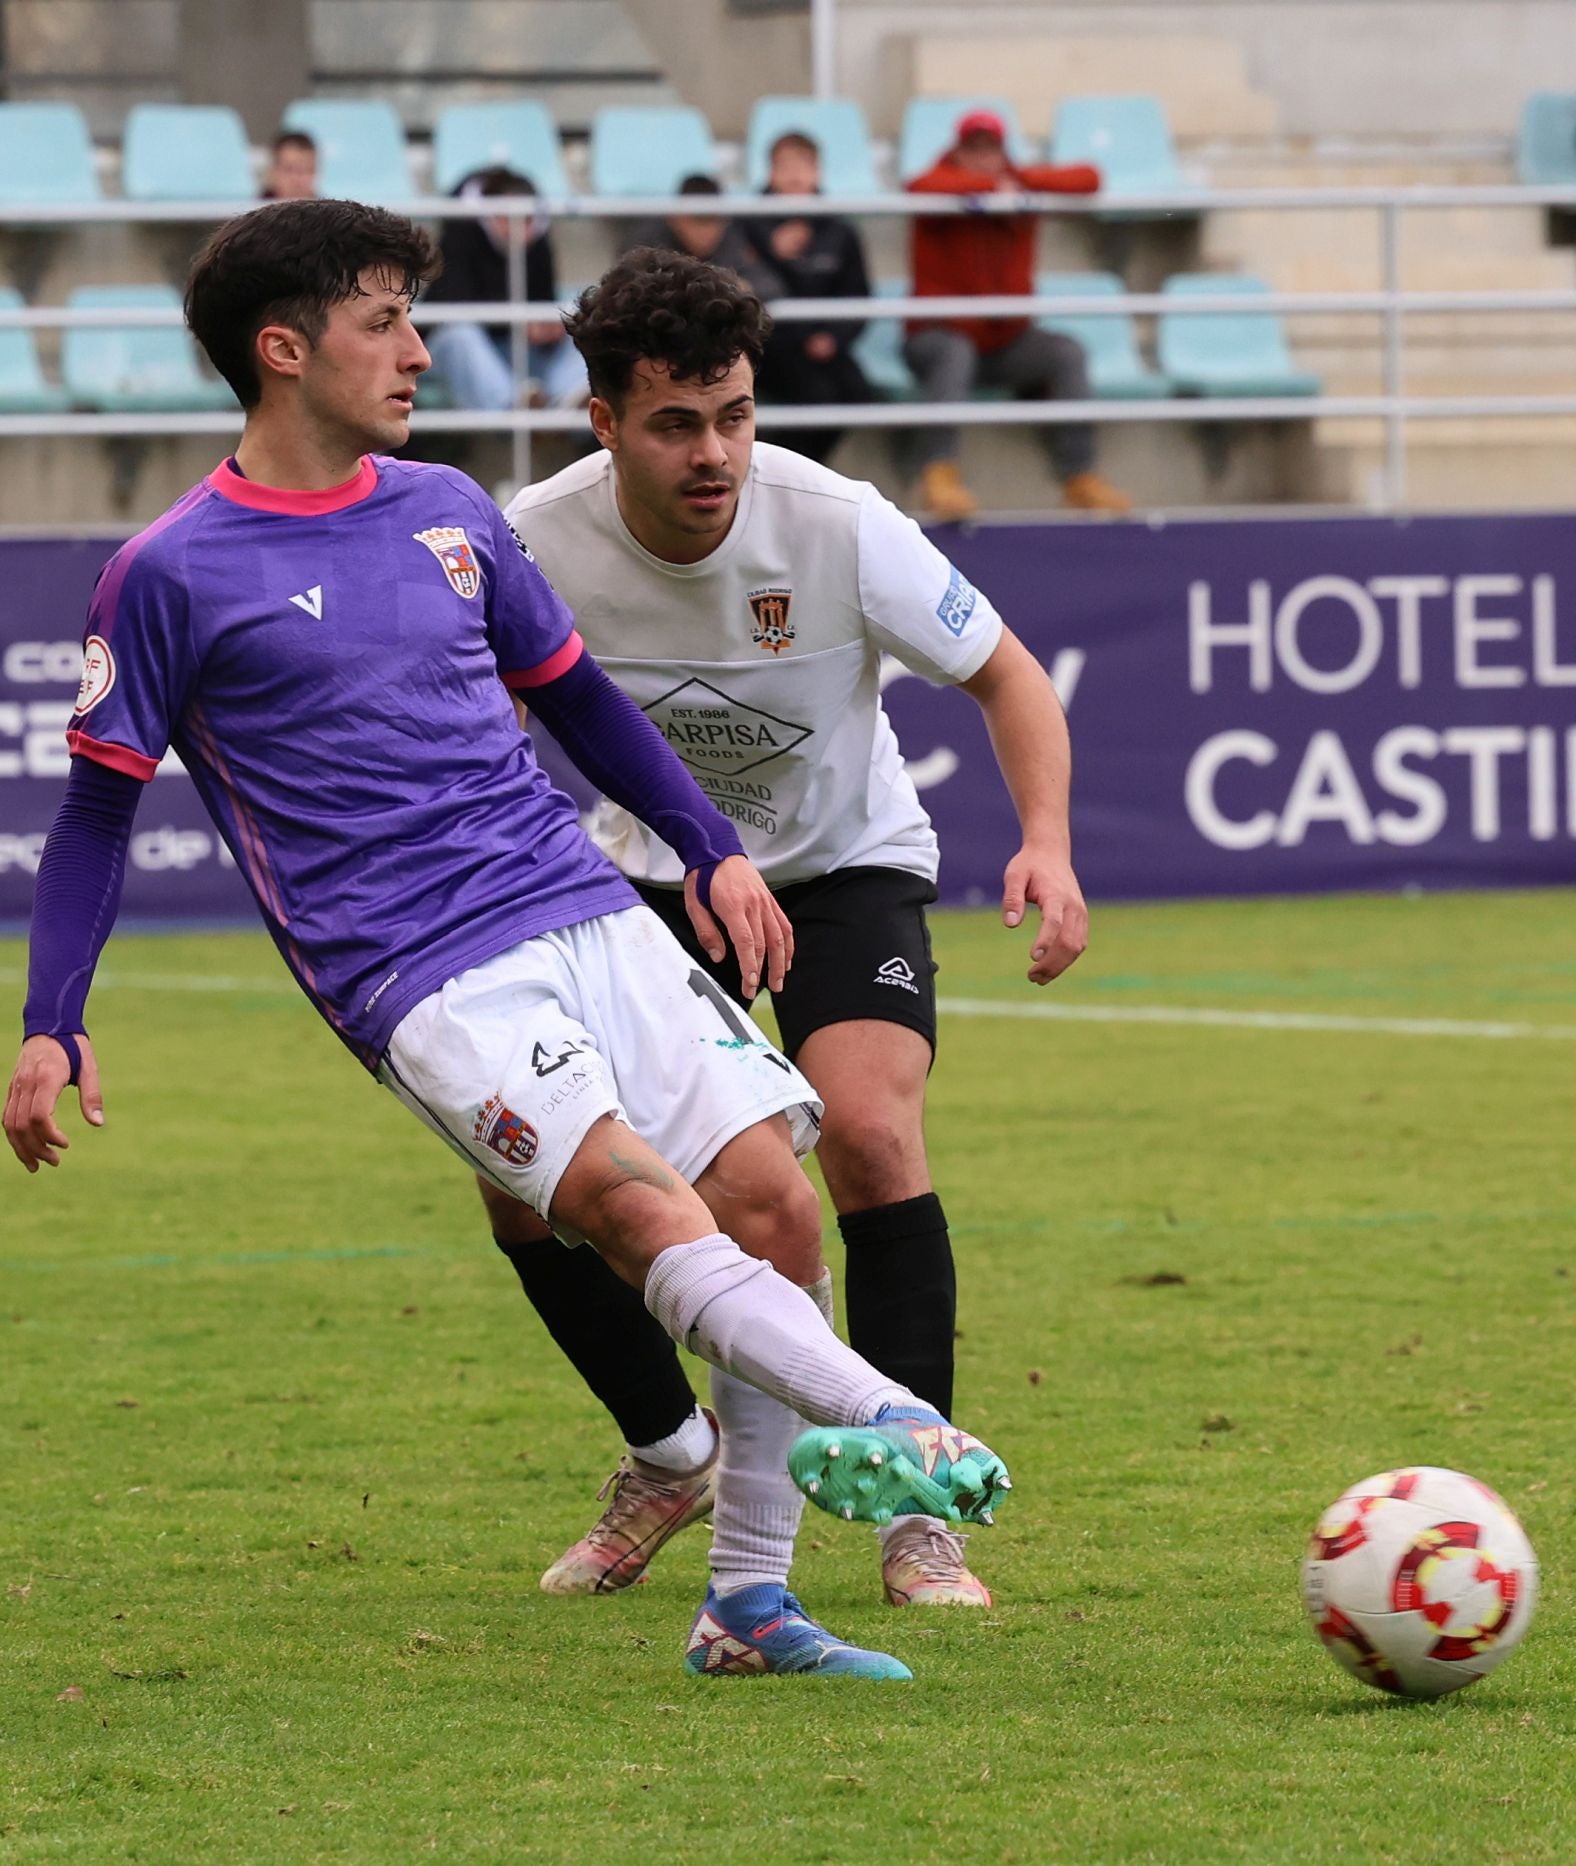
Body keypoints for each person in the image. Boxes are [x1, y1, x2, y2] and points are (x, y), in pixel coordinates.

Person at [0, 198, 1013, 1682]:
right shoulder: (168, 571)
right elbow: (96, 812)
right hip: (416, 968)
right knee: (635, 1205)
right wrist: (50, 1011)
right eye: (386, 321)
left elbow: (584, 702)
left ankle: (745, 1603)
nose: (421, 348)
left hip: (584, 898)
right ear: (284, 351)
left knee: (776, 1209)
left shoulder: (453, 511)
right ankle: (892, 1418)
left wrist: (715, 850)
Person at [485, 247, 1088, 1610]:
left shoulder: (837, 522)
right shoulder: (537, 536)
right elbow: (487, 735)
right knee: (526, 1182)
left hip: (839, 864)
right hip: (650, 887)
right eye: (677, 422)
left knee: (871, 1134)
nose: (717, 452)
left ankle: (921, 1515)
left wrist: (1045, 843)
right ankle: (664, 1455)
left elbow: (1010, 677)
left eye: (737, 414)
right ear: (604, 423)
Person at [904, 109, 1133, 522]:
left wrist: (1016, 185)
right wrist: (993, 188)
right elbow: (919, 185)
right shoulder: (940, 187)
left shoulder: (1017, 183)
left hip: (1001, 343)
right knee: (954, 353)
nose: (981, 157)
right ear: (956, 153)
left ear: (1002, 152)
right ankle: (938, 476)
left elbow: (1089, 178)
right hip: (938, 338)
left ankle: (1079, 477)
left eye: (990, 149)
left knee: (1066, 352)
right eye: (972, 149)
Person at [742, 131, 875, 465]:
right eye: (785, 166)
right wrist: (775, 255)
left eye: (804, 166)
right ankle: (776, 471)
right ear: (770, 173)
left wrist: (832, 337)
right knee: (819, 397)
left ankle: (796, 471)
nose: (795, 176)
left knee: (860, 395)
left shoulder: (840, 231)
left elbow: (857, 295)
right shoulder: (747, 225)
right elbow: (745, 291)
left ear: (818, 173)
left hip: (826, 345)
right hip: (770, 346)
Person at [422, 166, 588, 409]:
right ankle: (512, 405)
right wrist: (519, 322)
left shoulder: (538, 245)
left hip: (512, 349)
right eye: (506, 218)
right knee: (461, 335)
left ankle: (566, 399)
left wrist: (548, 328)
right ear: (488, 216)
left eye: (526, 219)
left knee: (580, 323)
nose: (518, 229)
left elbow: (543, 302)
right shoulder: (459, 239)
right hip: (454, 352)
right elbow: (450, 309)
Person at [635, 175, 781, 300]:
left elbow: (770, 286)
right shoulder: (650, 244)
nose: (705, 232)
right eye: (697, 221)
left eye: (713, 221)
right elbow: (631, 286)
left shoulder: (732, 243)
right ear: (675, 220)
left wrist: (743, 287)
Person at [262, 130, 318, 202]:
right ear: (273, 171)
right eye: (289, 169)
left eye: (306, 170)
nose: (297, 180)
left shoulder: (329, 212)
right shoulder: (250, 209)